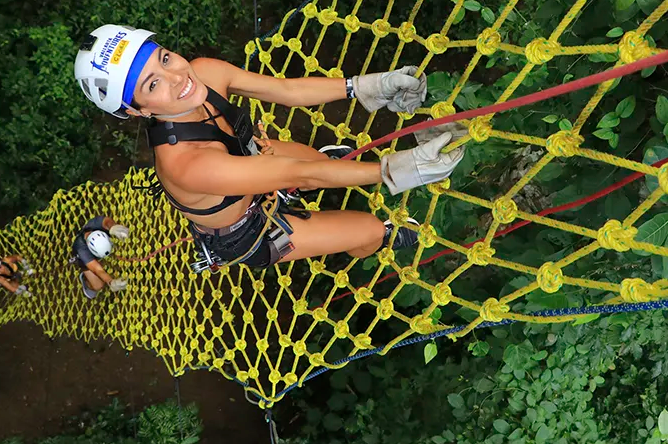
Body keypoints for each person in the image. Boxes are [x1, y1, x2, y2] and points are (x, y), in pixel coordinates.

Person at [73, 24, 465, 273]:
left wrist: (362, 86)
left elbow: (286, 90)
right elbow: (298, 173)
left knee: (326, 166)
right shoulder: (185, 164)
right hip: (249, 230)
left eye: (165, 58)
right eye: (152, 85)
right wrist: (399, 169)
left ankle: (335, 174)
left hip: (255, 163)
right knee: (364, 230)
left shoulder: (205, 71)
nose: (178, 77)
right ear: (137, 111)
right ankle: (385, 236)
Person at [71, 214, 130, 299]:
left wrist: (113, 227)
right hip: (85, 259)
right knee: (98, 285)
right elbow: (97, 269)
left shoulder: (94, 224)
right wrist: (111, 282)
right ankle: (85, 279)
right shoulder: (82, 250)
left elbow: (106, 221)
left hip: (99, 248)